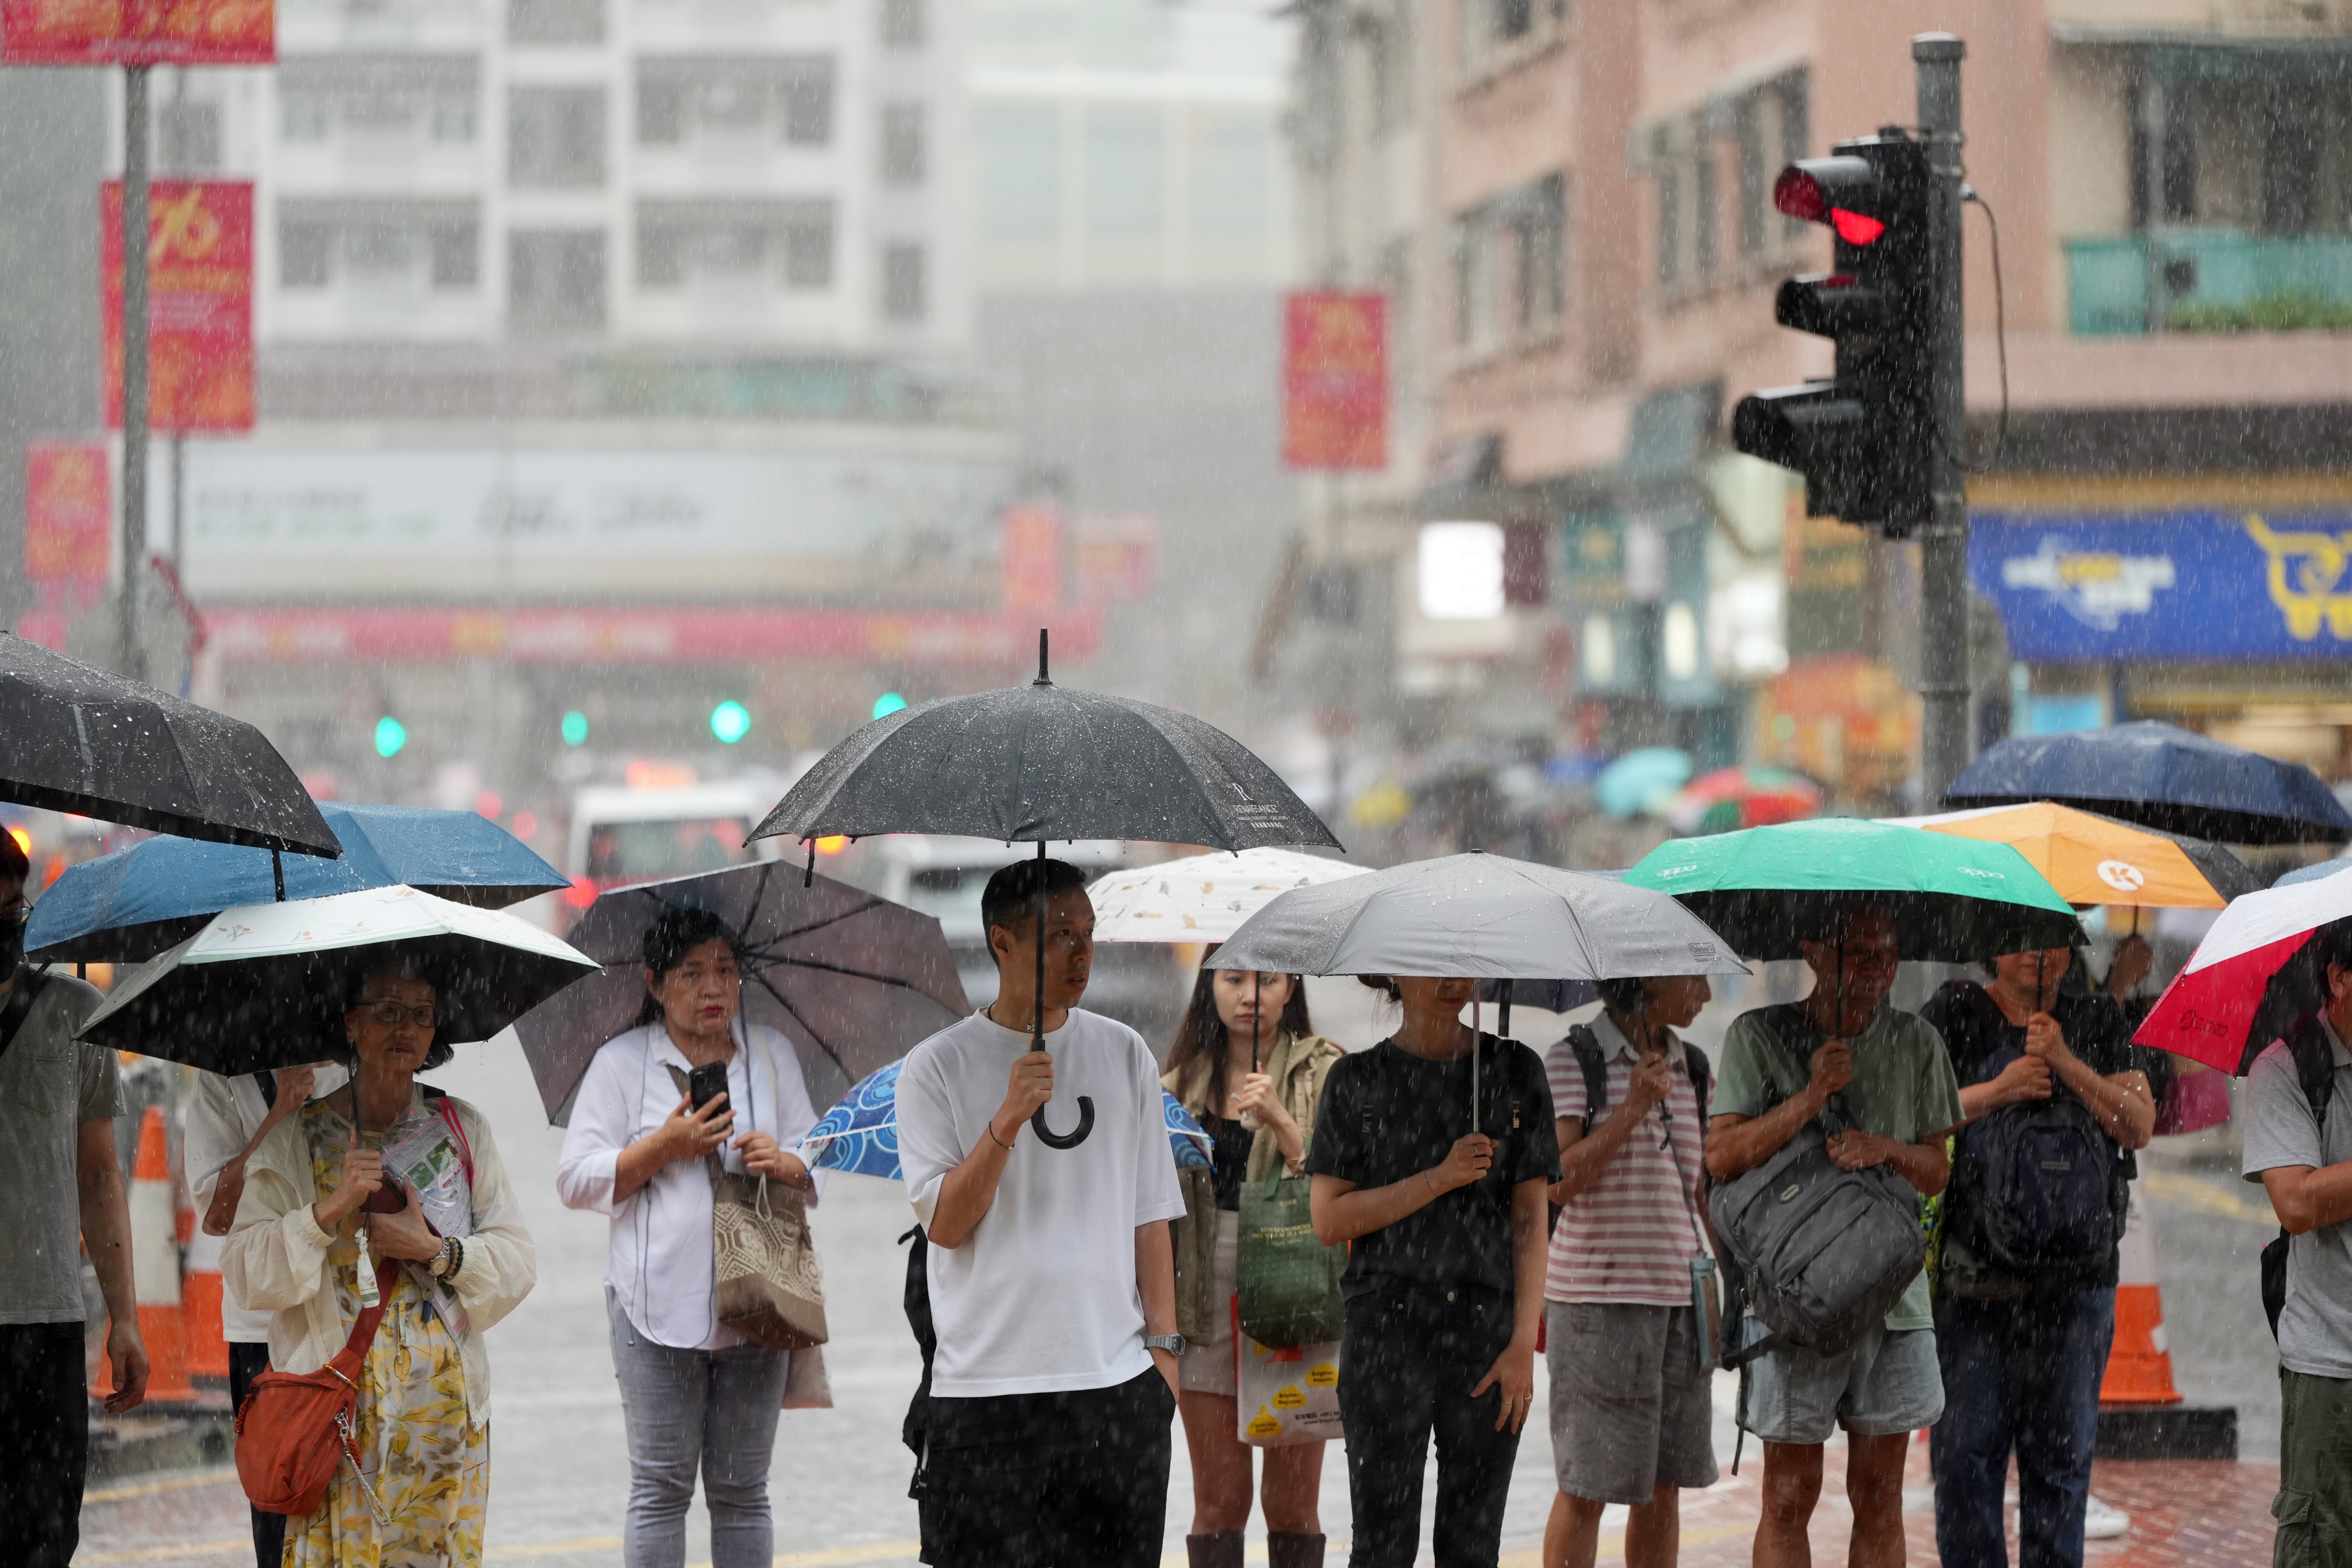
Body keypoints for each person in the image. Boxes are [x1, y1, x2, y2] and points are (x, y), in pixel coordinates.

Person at [895, 857, 1187, 1568]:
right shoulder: (935, 1068)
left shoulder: (1125, 1056)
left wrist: (1164, 1369)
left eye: (1089, 934)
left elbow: (1151, 1220)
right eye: (1060, 935)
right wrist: (1008, 1116)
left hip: (1115, 1392)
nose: (1082, 953)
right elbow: (947, 1224)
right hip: (985, 1398)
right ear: (1003, 943)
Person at [225, 956, 536, 1568]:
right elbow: (245, 1273)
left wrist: (434, 1251)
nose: (406, 1028)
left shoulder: (460, 1128)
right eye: (387, 1011)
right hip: (338, 1432)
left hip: (444, 1434)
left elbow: (518, 1260)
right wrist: (329, 1209)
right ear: (350, 1024)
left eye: (420, 1014)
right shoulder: (299, 1138)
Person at [555, 907, 823, 1568]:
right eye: (692, 973)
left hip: (759, 1299)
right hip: (653, 1306)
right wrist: (659, 1149)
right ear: (654, 983)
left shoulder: (770, 1054)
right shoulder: (623, 1065)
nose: (713, 989)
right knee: (660, 1489)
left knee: (742, 1492)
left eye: (726, 972)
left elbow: (815, 1151)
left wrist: (785, 1161)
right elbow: (574, 1179)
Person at [1706, 906, 1963, 1568]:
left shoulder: (1918, 1042)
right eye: (1862, 955)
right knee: (1790, 1494)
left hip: (1895, 1300)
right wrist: (1812, 1095)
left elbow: (1936, 1170)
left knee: (1879, 1494)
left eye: (1889, 954)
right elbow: (1721, 1158)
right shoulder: (1757, 1035)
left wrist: (1885, 1149)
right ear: (1816, 954)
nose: (1880, 970)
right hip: (1792, 1302)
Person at [1307, 974, 1559, 1568]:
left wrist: (1524, 1342)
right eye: (1432, 963)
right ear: (1394, 971)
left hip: (1486, 1332)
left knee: (1474, 1543)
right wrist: (1440, 1177)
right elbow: (1329, 1220)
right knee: (1382, 1542)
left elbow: (1531, 1218)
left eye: (1463, 962)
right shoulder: (1357, 1080)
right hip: (1385, 1328)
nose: (1453, 980)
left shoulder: (1515, 1070)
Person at [1920, 946, 2153, 1568]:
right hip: (1976, 1289)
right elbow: (1914, 1117)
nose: (2036, 954)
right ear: (1991, 947)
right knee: (1966, 1468)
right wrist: (1999, 1090)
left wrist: (2065, 1062)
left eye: (2051, 937)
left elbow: (2137, 1124)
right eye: (2020, 936)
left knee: (2061, 1470)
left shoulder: (2099, 1019)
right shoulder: (1955, 1010)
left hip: (2077, 1290)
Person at [1160, 956, 1345, 1568]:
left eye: (1266, 979)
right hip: (1203, 1289)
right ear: (1208, 987)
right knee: (1219, 1501)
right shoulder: (1179, 1086)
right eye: (1233, 979)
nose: (1249, 996)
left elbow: (1348, 1188)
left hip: (1296, 1281)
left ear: (1292, 985)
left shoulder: (1328, 1069)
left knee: (1292, 1505)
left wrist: (1285, 1126)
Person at [0, 832, 145, 1568]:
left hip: (47, 1321)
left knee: (47, 1538)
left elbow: (100, 1178)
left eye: (9, 912)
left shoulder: (76, 1015)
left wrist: (124, 1318)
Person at [1540, 975, 1716, 1568]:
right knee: (1587, 1485)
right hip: (1598, 1302)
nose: (1707, 996)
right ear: (1650, 979)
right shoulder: (1574, 1061)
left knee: (1664, 1486)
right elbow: (1559, 1181)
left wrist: (1732, 1282)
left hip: (1683, 1302)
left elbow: (1700, 1189)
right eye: (1696, 980)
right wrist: (1633, 1108)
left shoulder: (1691, 1065)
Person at [187, 1058, 346, 1568]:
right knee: (279, 1508)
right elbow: (216, 1215)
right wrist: (278, 1114)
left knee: (353, 1507)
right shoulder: (221, 1082)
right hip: (264, 1332)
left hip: (345, 1321)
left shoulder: (352, 1062)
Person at [2246, 921, 2352, 1568]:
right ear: (2339, 978)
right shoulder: (2286, 1067)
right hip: (2331, 1367)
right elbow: (2299, 1202)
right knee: (2319, 1549)